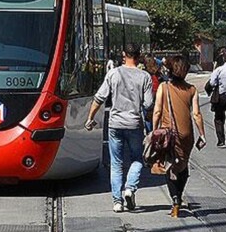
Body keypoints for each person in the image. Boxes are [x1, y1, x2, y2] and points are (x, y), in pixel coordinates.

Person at [86, 43, 154, 213]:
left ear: (124, 54)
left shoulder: (113, 73)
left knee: (116, 163)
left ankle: (117, 202)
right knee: (138, 159)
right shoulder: (144, 76)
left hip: (115, 124)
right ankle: (130, 188)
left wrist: (90, 118)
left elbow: (99, 98)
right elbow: (148, 103)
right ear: (138, 56)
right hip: (134, 124)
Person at [152, 55, 206, 218]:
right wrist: (202, 134)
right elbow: (196, 114)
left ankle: (175, 200)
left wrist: (154, 131)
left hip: (168, 134)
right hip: (186, 134)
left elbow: (157, 111)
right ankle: (180, 195)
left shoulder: (164, 87)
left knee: (170, 166)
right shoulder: (192, 90)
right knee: (182, 164)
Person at [143, 56, 161, 133]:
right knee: (156, 122)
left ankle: (150, 136)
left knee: (148, 123)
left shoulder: (145, 75)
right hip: (158, 100)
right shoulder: (158, 74)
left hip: (148, 101)